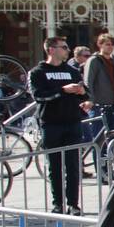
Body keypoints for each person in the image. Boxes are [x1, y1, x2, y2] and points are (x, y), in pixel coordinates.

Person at [28, 37, 92, 215]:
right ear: (51, 50)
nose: (67, 50)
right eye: (64, 47)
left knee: (73, 165)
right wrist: (63, 90)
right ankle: (58, 204)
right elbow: (39, 96)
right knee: (54, 165)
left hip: (72, 121)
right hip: (51, 123)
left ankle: (73, 204)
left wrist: (84, 95)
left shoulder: (71, 71)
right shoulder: (37, 72)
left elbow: (85, 93)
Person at [83, 33, 114, 139]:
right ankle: (99, 156)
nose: (111, 47)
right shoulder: (94, 60)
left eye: (112, 45)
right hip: (98, 106)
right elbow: (88, 82)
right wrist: (89, 99)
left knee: (112, 137)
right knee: (99, 139)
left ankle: (110, 156)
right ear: (100, 45)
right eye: (107, 44)